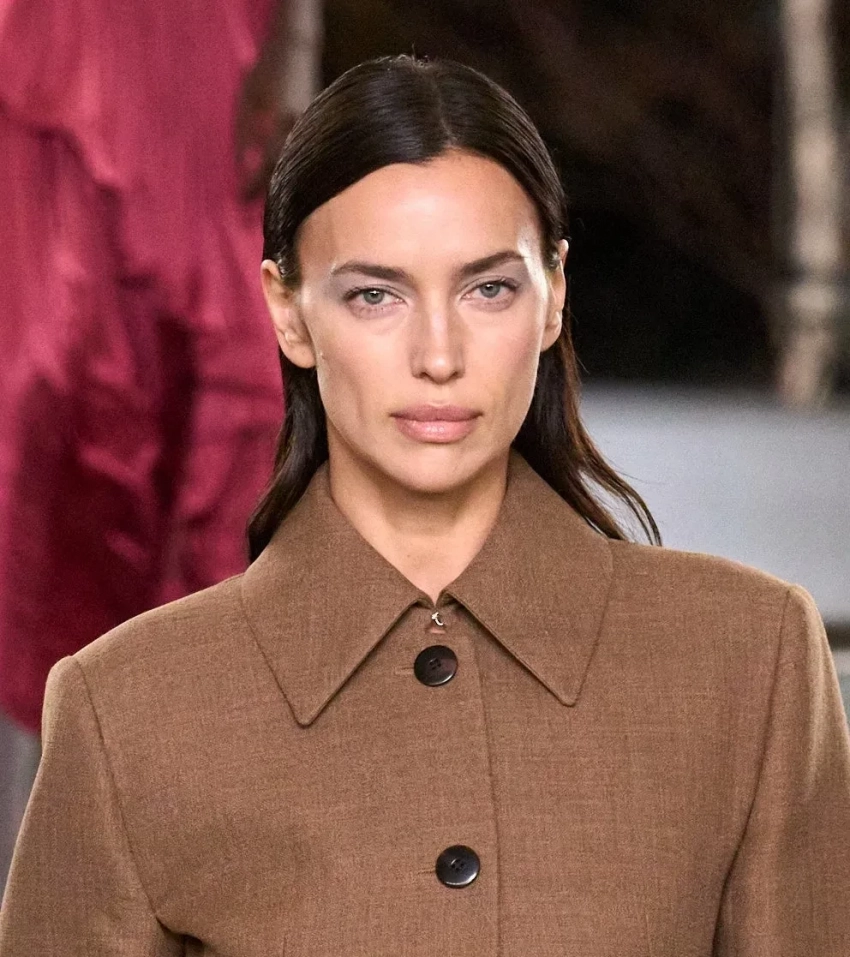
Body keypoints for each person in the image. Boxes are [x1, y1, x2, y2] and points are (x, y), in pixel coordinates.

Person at [1, 54, 849, 955]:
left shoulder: (749, 662)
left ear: (554, 295)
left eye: (489, 289)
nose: (438, 355)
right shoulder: (125, 711)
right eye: (376, 294)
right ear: (288, 312)